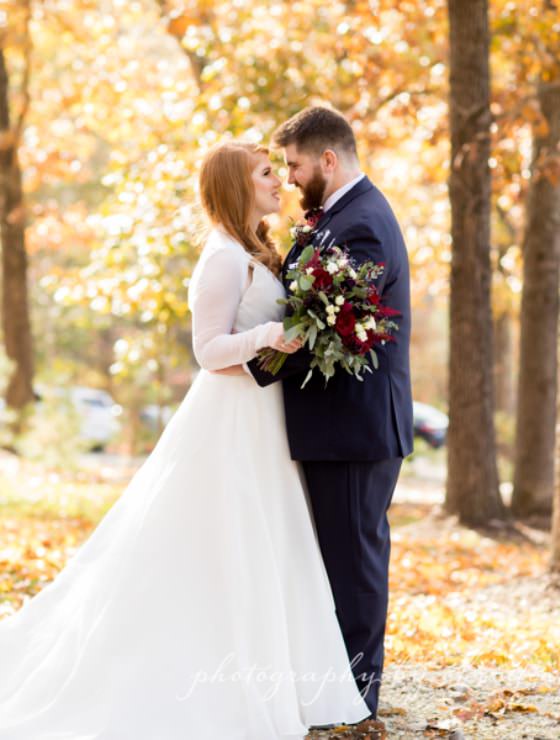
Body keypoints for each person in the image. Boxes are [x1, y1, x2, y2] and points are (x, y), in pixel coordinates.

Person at [0, 141, 371, 739]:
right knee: (223, 545)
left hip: (262, 419)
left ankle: (279, 679)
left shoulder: (258, 252)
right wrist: (270, 335)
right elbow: (207, 351)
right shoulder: (222, 258)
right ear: (235, 185)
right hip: (228, 421)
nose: (279, 181)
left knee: (268, 544)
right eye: (266, 173)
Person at [245, 107, 414, 721]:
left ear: (328, 160)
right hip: (343, 429)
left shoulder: (361, 224)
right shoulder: (343, 217)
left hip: (353, 431)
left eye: (292, 165)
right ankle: (336, 689)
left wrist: (253, 365)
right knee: (340, 560)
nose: (288, 178)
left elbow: (332, 337)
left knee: (354, 564)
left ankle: (354, 696)